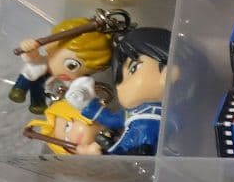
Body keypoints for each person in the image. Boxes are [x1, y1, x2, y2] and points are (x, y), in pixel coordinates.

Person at [70, 27, 170, 155]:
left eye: (133, 69)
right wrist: (87, 104)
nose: (120, 87)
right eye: (119, 80)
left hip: (145, 153)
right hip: (124, 152)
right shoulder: (132, 113)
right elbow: (110, 120)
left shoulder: (167, 114)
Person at [10, 18, 113, 114]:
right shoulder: (42, 63)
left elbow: (83, 89)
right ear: (50, 46)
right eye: (71, 66)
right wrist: (28, 48)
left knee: (38, 90)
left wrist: (78, 95)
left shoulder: (79, 81)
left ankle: (37, 104)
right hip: (43, 76)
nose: (70, 73)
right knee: (33, 74)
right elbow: (32, 58)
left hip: (58, 94)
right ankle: (19, 89)